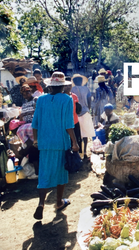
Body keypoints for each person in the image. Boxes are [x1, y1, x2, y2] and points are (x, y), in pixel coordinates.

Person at [32, 71, 79, 220]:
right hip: (61, 142)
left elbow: (35, 122)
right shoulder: (67, 99)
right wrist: (75, 142)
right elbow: (68, 124)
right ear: (63, 86)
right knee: (61, 173)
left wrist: (35, 140)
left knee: (44, 173)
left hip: (45, 143)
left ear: (50, 86)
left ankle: (41, 203)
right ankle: (58, 202)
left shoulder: (41, 99)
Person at [71, 74, 95, 160]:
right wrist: (88, 109)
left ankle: (78, 153)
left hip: (75, 114)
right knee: (86, 135)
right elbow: (89, 101)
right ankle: (85, 152)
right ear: (81, 81)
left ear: (74, 82)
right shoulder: (86, 89)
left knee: (77, 134)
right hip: (85, 113)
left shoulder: (72, 89)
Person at [64, 79, 82, 155]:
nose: (68, 87)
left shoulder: (74, 96)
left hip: (75, 122)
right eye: (66, 85)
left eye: (70, 85)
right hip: (65, 124)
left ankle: (76, 157)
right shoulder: (62, 97)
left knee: (76, 139)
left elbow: (77, 109)